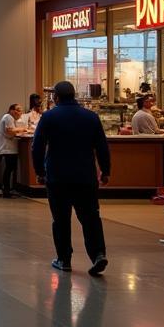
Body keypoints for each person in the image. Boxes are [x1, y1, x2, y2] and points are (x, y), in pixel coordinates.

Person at [32, 80, 110, 276]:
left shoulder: (49, 117)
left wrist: (39, 171)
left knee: (60, 219)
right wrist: (105, 170)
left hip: (58, 177)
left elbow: (37, 146)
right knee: (91, 217)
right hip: (85, 176)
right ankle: (98, 253)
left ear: (56, 97)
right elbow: (101, 146)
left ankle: (64, 259)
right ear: (74, 95)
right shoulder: (91, 117)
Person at [0, 102, 23, 198]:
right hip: (7, 149)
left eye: (21, 111)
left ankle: (9, 190)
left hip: (10, 149)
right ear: (11, 110)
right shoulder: (8, 117)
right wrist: (23, 129)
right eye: (18, 110)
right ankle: (6, 191)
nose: (20, 113)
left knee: (11, 169)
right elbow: (10, 131)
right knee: (9, 169)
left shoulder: (11, 119)